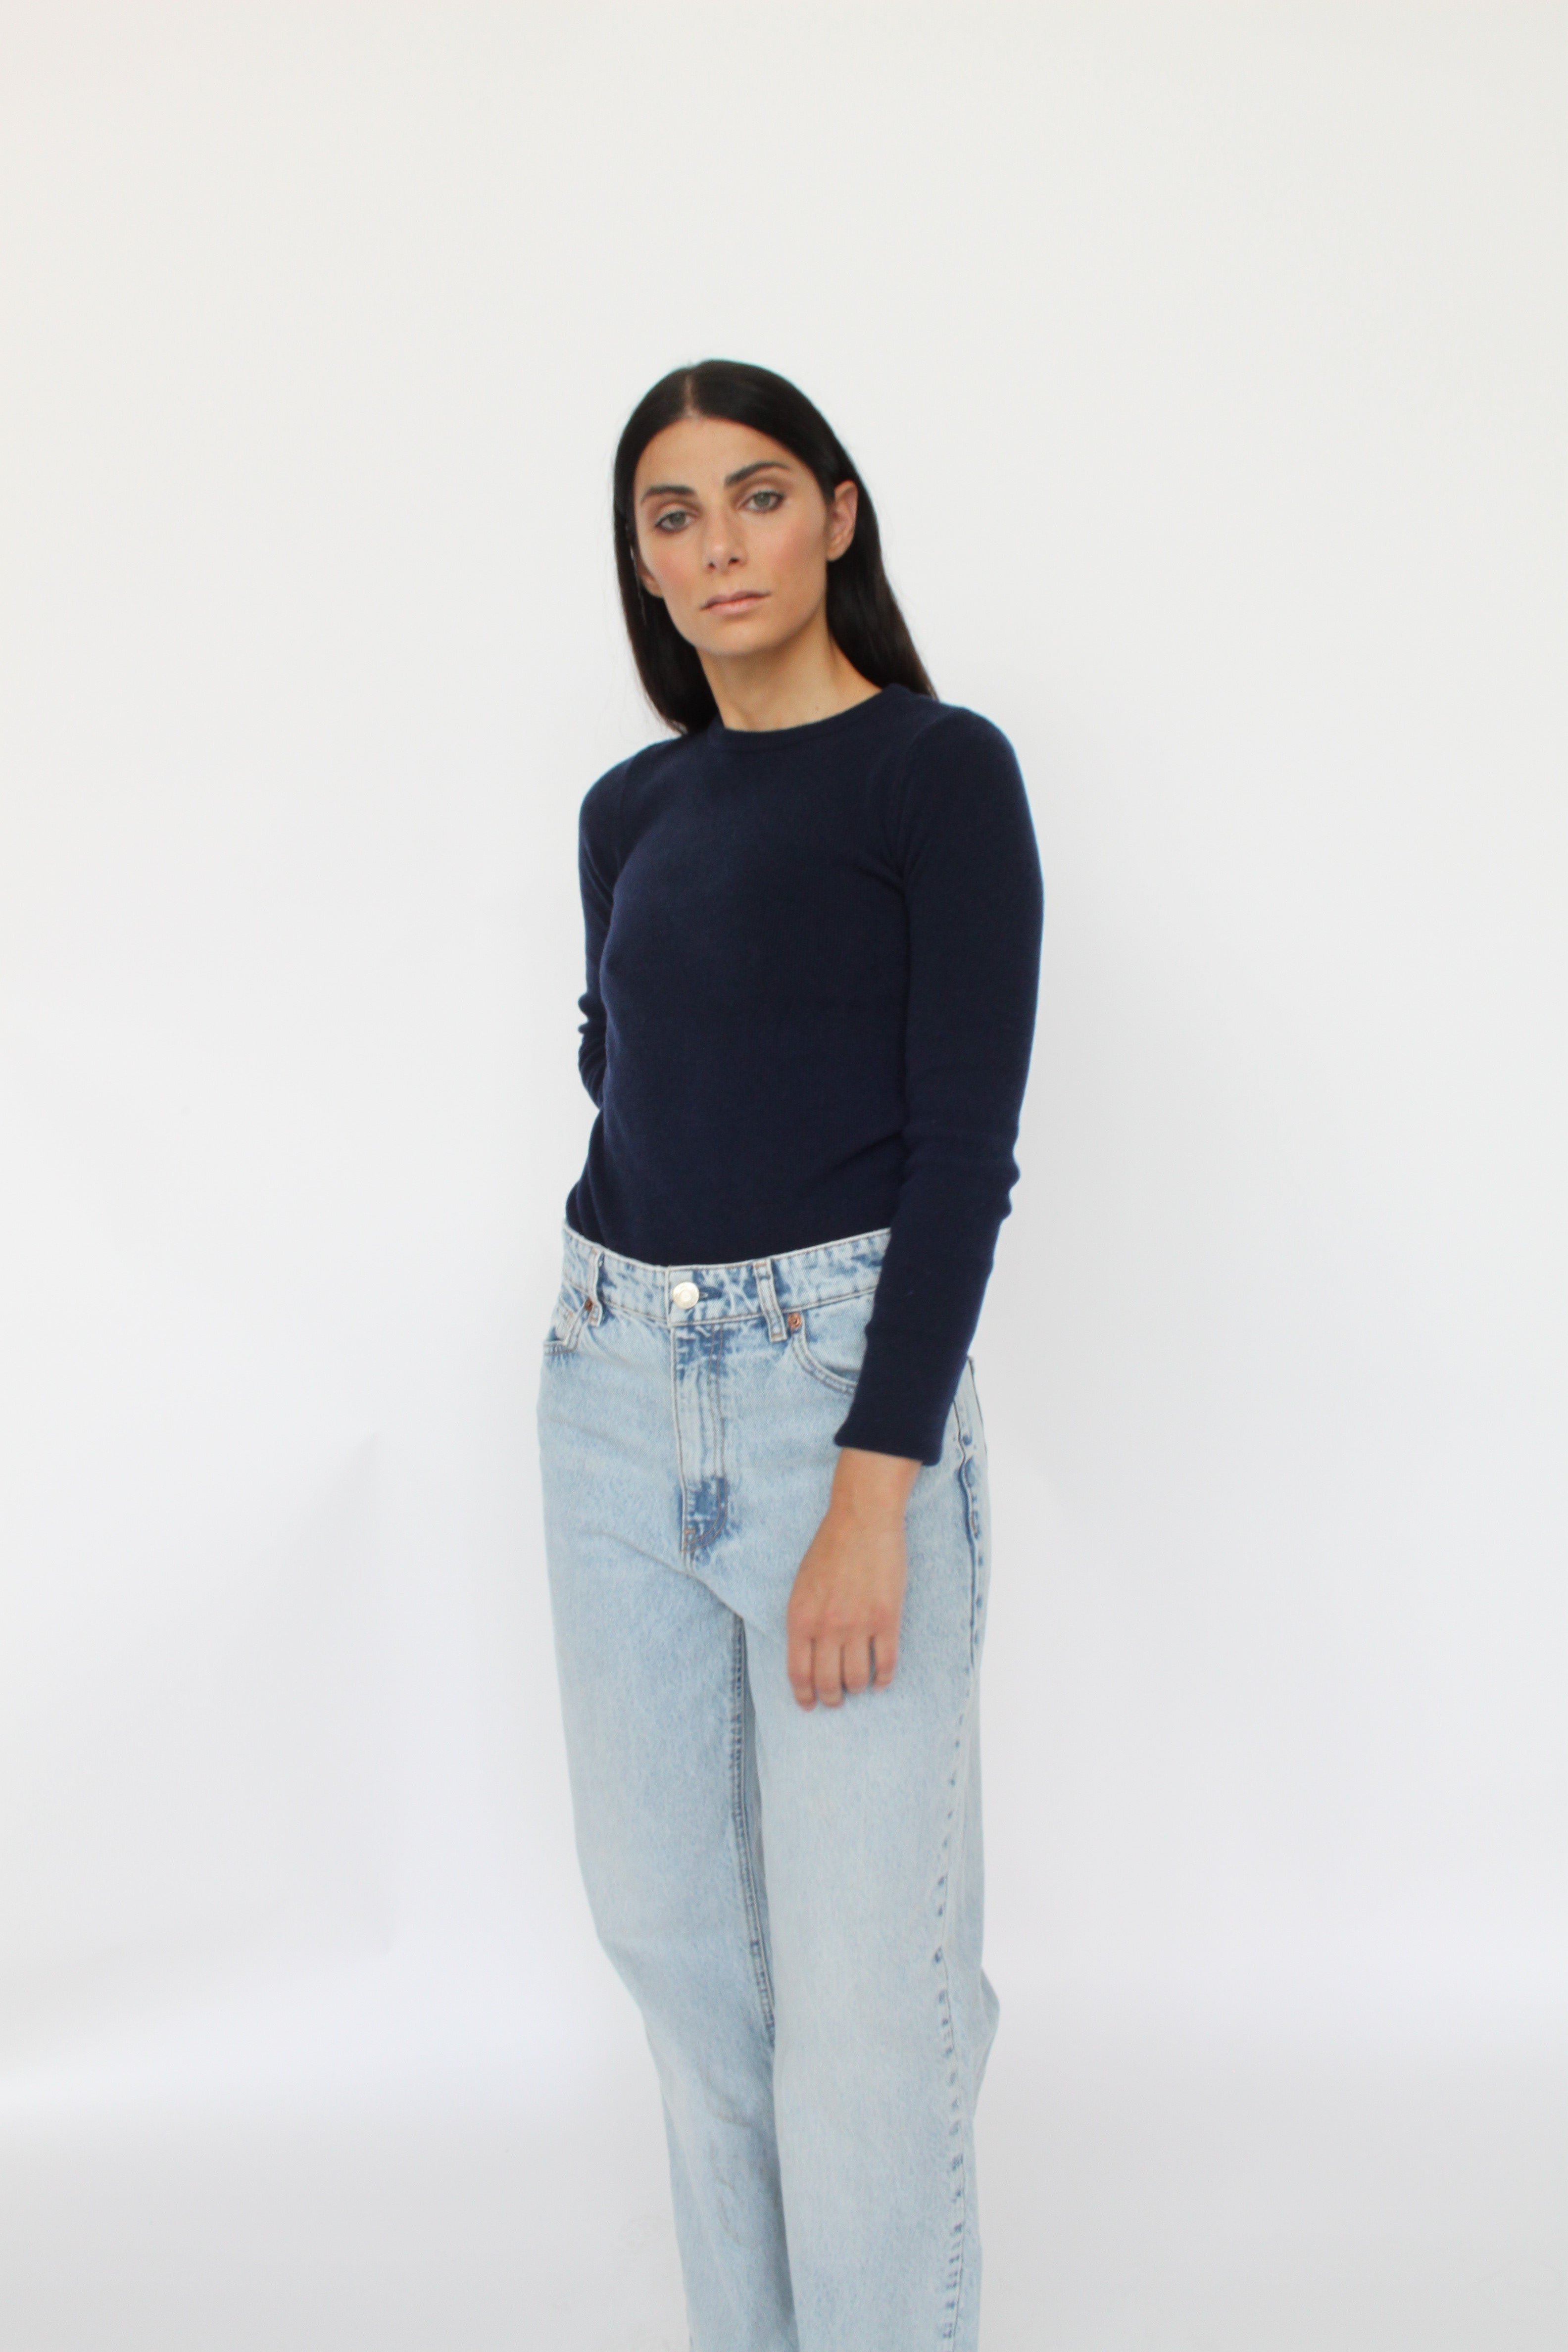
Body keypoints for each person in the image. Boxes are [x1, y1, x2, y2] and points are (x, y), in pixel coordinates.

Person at [536, 357, 1044, 2352]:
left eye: (758, 495)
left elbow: (961, 1154)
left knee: (869, 2008)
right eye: (672, 514)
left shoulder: (938, 772)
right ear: (642, 563)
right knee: (684, 1965)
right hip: (607, 1391)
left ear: (837, 515)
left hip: (837, 1403)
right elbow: (630, 1070)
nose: (719, 544)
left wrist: (869, 1490)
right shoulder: (631, 807)